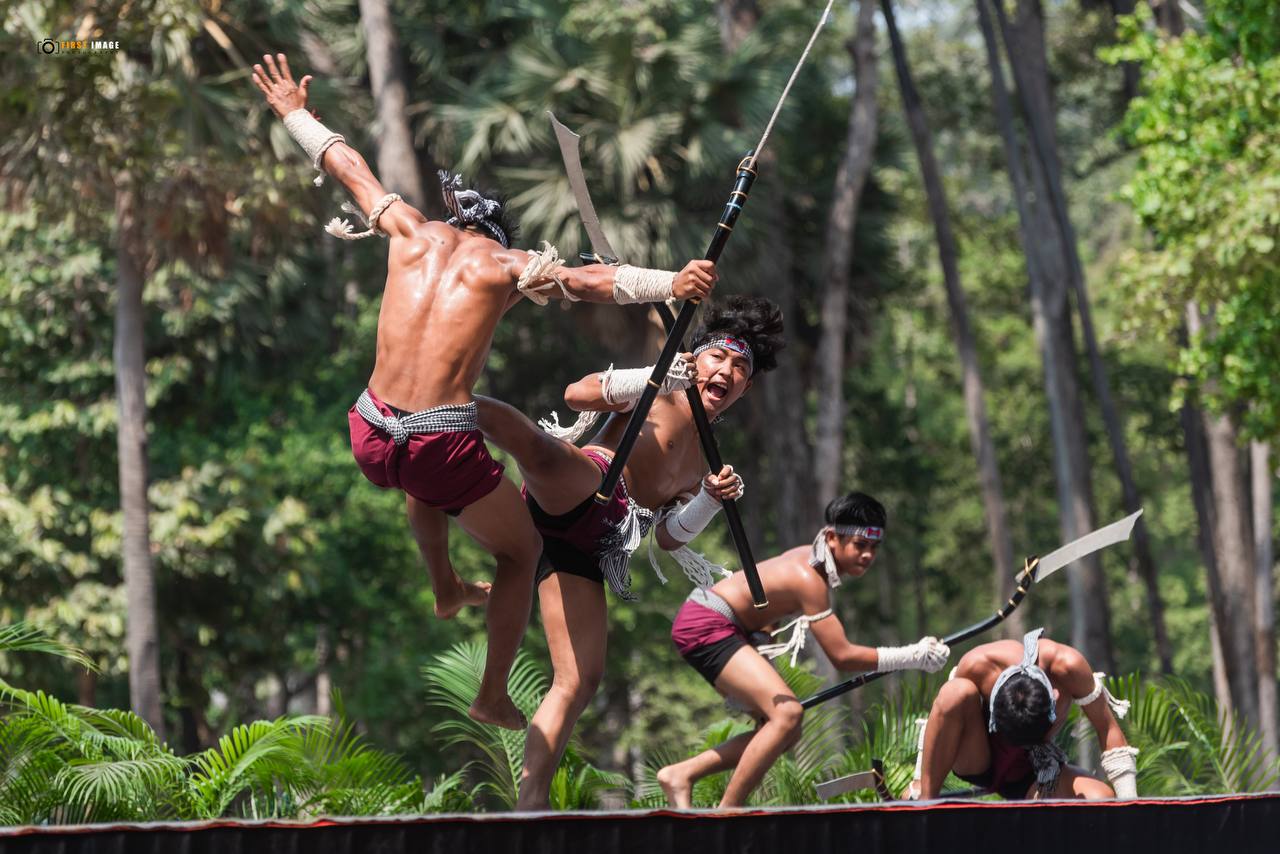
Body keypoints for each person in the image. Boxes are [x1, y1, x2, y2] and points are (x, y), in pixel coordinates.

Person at [251, 53, 718, 730]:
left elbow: (349, 167)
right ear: (496, 239)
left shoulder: (408, 229)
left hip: (369, 429)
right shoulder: (505, 264)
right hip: (436, 442)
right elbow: (590, 282)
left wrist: (295, 115)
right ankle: (492, 692)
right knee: (521, 552)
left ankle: (445, 586)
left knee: (421, 478)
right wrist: (671, 282)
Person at [475, 295, 782, 809]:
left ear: (745, 388)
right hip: (589, 484)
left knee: (580, 678)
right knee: (542, 452)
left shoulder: (706, 463)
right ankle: (449, 404)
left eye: (739, 368)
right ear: (695, 360)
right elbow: (577, 395)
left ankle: (529, 805)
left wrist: (709, 499)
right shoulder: (659, 395)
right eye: (718, 357)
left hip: (590, 546)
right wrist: (653, 376)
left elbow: (669, 537)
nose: (726, 371)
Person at [656, 492, 951, 808]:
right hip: (707, 623)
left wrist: (757, 654)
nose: (868, 555)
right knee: (787, 715)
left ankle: (681, 775)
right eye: (860, 545)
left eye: (874, 547)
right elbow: (842, 656)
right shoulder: (809, 579)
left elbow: (765, 611)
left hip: (719, 625)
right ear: (832, 538)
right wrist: (913, 655)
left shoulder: (809, 561)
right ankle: (727, 812)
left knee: (784, 730)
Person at [907, 627, 1138, 800]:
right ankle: (927, 802)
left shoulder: (1068, 667)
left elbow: (1108, 729)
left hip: (1036, 769)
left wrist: (1131, 805)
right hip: (978, 758)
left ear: (1054, 697)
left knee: (1101, 799)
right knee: (955, 692)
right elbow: (940, 715)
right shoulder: (979, 664)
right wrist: (920, 782)